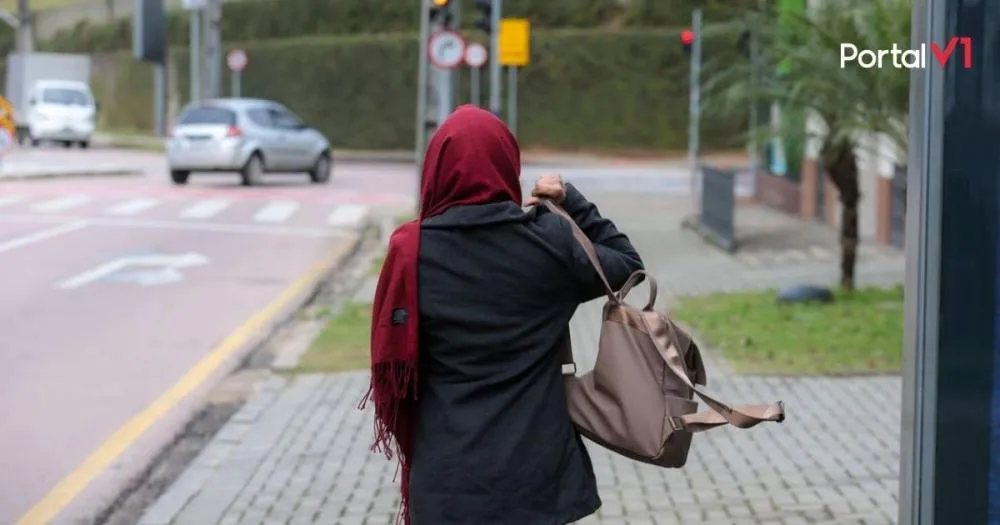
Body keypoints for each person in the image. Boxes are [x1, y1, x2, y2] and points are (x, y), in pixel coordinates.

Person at [361, 105, 644, 525]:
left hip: (448, 481)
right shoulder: (549, 241)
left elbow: (394, 367)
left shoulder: (412, 250)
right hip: (535, 482)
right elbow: (627, 263)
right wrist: (572, 202)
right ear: (507, 165)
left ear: (437, 169)